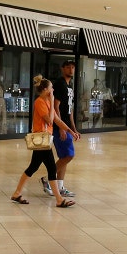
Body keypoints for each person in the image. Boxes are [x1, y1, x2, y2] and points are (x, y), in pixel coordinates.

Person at [11, 75, 77, 207]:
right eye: (51, 88)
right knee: (51, 169)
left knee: (33, 167)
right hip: (41, 139)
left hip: (45, 139)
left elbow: (57, 120)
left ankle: (17, 193)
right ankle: (59, 200)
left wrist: (70, 131)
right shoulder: (40, 102)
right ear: (46, 89)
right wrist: (52, 102)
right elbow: (49, 119)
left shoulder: (46, 101)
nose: (53, 90)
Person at [41, 60, 80, 197]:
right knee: (69, 155)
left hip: (65, 125)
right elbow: (56, 107)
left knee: (64, 156)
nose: (71, 69)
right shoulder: (60, 84)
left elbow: (69, 110)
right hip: (59, 127)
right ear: (62, 69)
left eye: (73, 67)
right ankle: (47, 179)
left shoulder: (69, 86)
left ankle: (60, 186)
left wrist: (73, 128)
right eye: (68, 67)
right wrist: (62, 128)